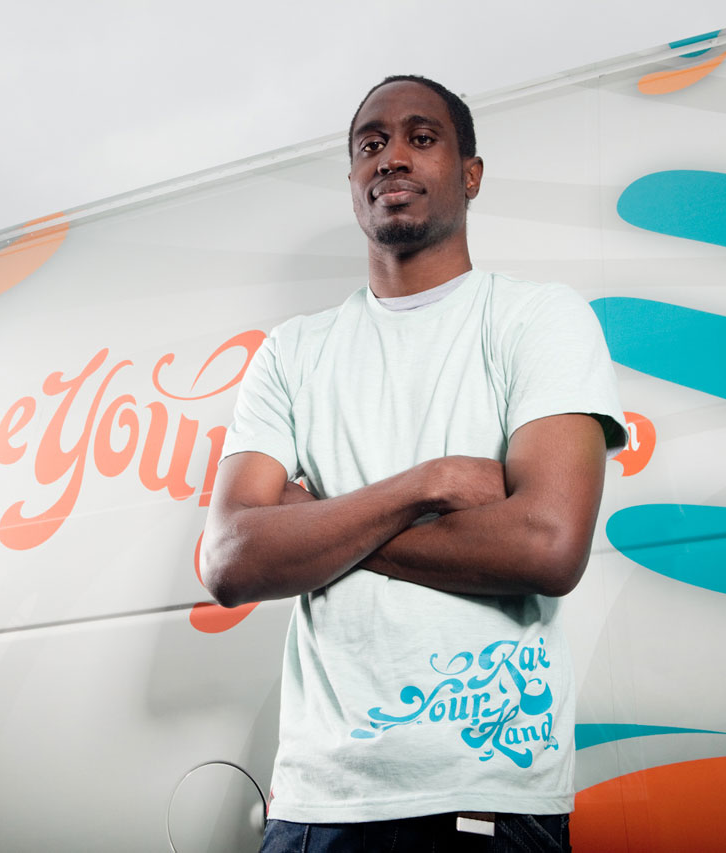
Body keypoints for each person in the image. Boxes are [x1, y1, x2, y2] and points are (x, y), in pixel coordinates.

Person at [201, 74, 626, 852]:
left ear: (471, 174)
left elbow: (546, 545)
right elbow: (229, 558)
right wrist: (425, 485)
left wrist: (320, 522)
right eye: (371, 143)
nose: (391, 156)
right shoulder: (293, 352)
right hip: (317, 805)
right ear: (353, 180)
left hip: (486, 794)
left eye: (421, 138)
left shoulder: (537, 317)